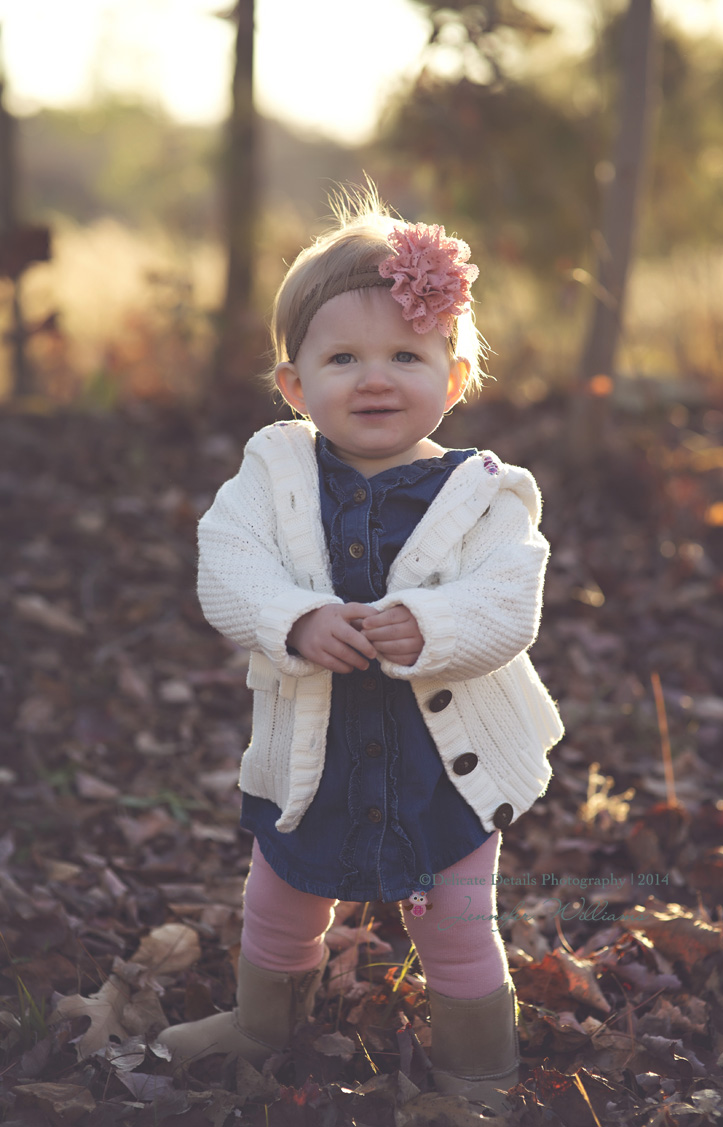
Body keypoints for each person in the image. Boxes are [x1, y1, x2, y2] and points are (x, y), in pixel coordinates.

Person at [158, 188, 563, 1113]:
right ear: (295, 384)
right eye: (343, 357)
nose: (375, 377)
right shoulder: (273, 473)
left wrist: (435, 625)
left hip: (441, 769)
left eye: (405, 355)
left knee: (457, 925)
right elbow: (227, 563)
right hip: (315, 756)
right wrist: (295, 620)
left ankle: (477, 1070)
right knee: (282, 901)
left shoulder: (487, 494)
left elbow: (512, 597)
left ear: (453, 377)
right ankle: (265, 1026)